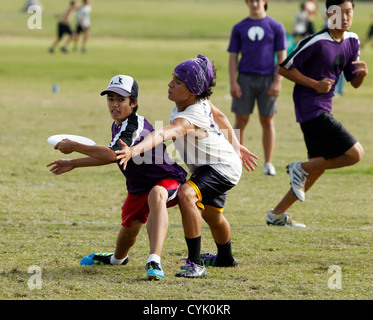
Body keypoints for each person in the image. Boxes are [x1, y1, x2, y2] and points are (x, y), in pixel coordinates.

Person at [116, 55, 259, 278]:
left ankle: (195, 263)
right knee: (213, 216)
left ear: (192, 91)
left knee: (186, 194)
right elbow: (220, 116)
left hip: (221, 167)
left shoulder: (189, 116)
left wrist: (133, 150)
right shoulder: (199, 100)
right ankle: (225, 258)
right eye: (172, 78)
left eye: (178, 82)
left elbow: (164, 132)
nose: (170, 84)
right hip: (213, 165)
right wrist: (237, 146)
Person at [47, 75, 187, 280]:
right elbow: (114, 156)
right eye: (110, 99)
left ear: (134, 102)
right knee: (129, 228)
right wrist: (73, 163)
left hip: (166, 179)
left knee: (157, 194)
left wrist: (75, 146)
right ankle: (117, 260)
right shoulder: (120, 125)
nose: (114, 104)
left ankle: (154, 260)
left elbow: (111, 154)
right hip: (138, 185)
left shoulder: (133, 126)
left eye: (121, 100)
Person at [266, 0, 367, 228]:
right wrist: (315, 84)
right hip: (309, 107)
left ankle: (276, 214)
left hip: (324, 107)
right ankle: (299, 167)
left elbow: (354, 82)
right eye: (337, 13)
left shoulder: (353, 40)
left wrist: (363, 73)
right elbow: (283, 68)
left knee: (318, 167)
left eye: (348, 12)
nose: (344, 17)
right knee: (355, 154)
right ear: (328, 14)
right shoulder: (316, 42)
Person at [228, 0, 287, 176]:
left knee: (267, 120)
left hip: (267, 79)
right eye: (251, 0)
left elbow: (281, 56)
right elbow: (233, 57)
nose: (255, 4)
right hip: (244, 78)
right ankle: (235, 160)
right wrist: (233, 82)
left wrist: (278, 81)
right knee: (241, 120)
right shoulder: (239, 27)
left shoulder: (276, 26)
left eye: (258, 0)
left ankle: (268, 163)